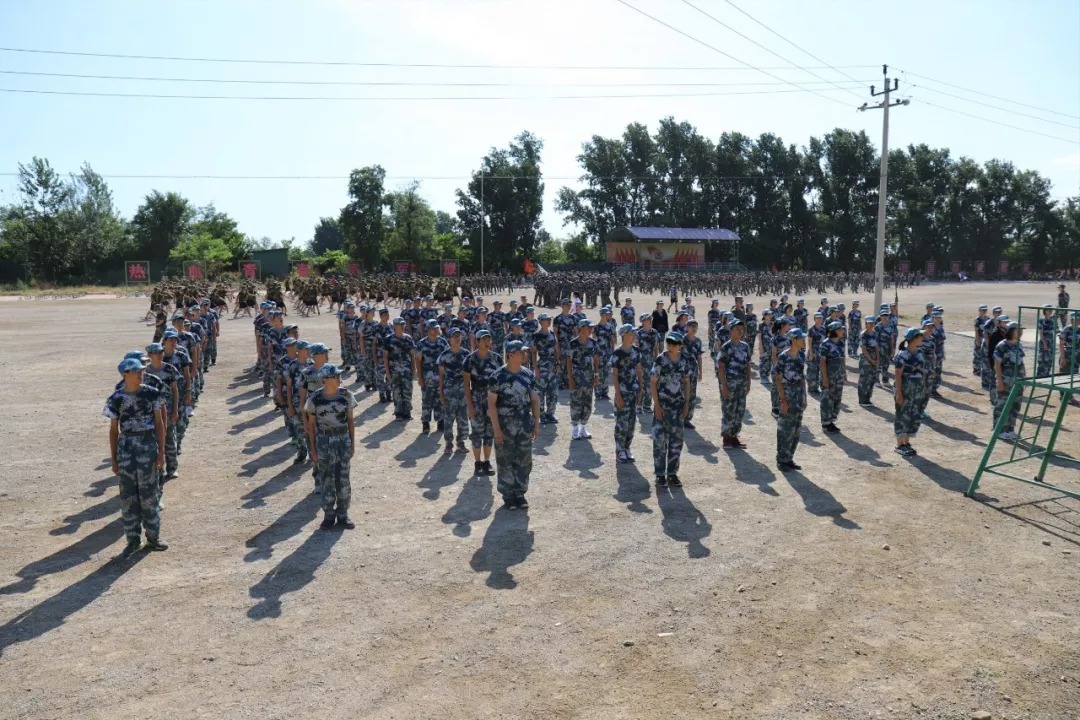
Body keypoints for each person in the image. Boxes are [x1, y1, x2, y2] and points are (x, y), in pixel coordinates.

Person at [104, 357, 168, 557]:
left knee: (149, 495)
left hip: (147, 445)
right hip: (126, 448)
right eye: (137, 370)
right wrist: (114, 459)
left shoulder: (152, 394)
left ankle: (153, 537)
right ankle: (133, 540)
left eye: (142, 370)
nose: (142, 373)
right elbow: (114, 430)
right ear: (125, 374)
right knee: (128, 497)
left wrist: (161, 452)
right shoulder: (116, 399)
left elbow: (160, 424)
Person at [489, 340, 541, 510]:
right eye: (521, 352)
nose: (525, 355)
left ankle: (520, 493)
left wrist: (536, 423)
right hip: (505, 426)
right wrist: (496, 428)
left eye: (525, 352)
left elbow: (534, 399)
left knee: (524, 460)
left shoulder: (528, 374)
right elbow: (491, 405)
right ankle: (508, 495)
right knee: (505, 460)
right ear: (511, 355)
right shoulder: (497, 376)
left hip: (524, 425)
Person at [304, 364, 357, 530]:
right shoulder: (315, 398)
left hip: (342, 440)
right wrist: (313, 449)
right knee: (326, 478)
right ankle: (328, 514)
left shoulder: (346, 395)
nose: (339, 378)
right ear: (325, 380)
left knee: (343, 478)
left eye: (338, 375)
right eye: (335, 376)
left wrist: (352, 444)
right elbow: (311, 426)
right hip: (324, 442)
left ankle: (343, 513)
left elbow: (350, 421)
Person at [650, 332, 690, 488]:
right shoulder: (661, 359)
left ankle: (672, 473)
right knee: (660, 442)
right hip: (663, 407)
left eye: (674, 343)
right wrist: (657, 406)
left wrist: (686, 403)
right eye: (669, 342)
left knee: (676, 442)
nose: (671, 346)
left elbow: (686, 382)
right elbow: (653, 382)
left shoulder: (683, 360)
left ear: (680, 346)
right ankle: (660, 474)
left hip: (677, 408)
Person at [464, 330, 502, 476]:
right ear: (478, 341)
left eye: (489, 339)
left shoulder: (497, 359)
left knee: (489, 433)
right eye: (484, 339)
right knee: (476, 433)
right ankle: (477, 463)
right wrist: (470, 405)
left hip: (492, 400)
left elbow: (500, 382)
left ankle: (487, 462)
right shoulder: (470, 359)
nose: (487, 342)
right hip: (476, 400)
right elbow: (466, 385)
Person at [144, 342, 181, 481]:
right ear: (149, 355)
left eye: (161, 353)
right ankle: (158, 469)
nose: (159, 355)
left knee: (170, 440)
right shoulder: (145, 372)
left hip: (169, 410)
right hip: (152, 414)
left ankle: (172, 468)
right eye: (156, 353)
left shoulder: (170, 370)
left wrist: (176, 410)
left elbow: (175, 390)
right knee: (155, 442)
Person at [774, 328, 807, 472]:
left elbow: (802, 377)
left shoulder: (800, 356)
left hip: (799, 396)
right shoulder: (783, 357)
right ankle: (781, 459)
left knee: (796, 429)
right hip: (788, 396)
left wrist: (804, 396)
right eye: (801, 338)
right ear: (794, 340)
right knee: (785, 429)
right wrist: (782, 400)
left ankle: (789, 458)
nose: (804, 341)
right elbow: (778, 379)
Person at [609, 324, 644, 463]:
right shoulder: (617, 354)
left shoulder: (636, 351)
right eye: (632, 333)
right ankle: (619, 450)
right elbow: (615, 376)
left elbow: (639, 370)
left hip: (633, 391)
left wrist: (641, 389)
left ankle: (627, 448)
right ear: (625, 335)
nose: (634, 335)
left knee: (631, 422)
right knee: (621, 422)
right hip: (622, 393)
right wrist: (618, 395)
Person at [717, 319, 751, 449]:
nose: (740, 331)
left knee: (739, 410)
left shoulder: (745, 346)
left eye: (741, 329)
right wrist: (724, 386)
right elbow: (720, 366)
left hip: (741, 384)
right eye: (737, 329)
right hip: (729, 385)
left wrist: (749, 382)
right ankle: (727, 438)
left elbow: (747, 365)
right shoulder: (726, 347)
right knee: (728, 410)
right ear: (730, 330)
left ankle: (734, 436)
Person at [893, 328, 927, 456]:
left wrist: (923, 386)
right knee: (902, 416)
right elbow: (897, 375)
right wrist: (899, 394)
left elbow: (922, 370)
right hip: (905, 390)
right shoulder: (902, 355)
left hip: (916, 390)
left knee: (912, 416)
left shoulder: (919, 352)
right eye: (920, 337)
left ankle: (906, 443)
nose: (922, 339)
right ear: (913, 339)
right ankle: (899, 444)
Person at [438, 328, 471, 454]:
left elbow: (469, 375)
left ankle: (461, 443)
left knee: (463, 419)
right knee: (448, 419)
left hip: (463, 393)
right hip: (449, 393)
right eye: (454, 336)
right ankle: (448, 444)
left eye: (459, 336)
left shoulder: (466, 354)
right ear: (449, 339)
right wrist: (441, 393)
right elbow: (441, 376)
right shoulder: (444, 355)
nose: (457, 338)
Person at [567, 319, 600, 440]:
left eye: (591, 328)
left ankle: (583, 427)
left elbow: (596, 359)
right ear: (582, 328)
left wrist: (596, 375)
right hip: (576, 376)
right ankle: (575, 428)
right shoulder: (573, 343)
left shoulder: (593, 342)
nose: (591, 330)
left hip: (589, 376)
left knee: (587, 402)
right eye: (588, 328)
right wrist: (570, 378)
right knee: (576, 401)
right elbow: (569, 360)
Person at [992, 322, 1026, 441]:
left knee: (1015, 406)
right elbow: (997, 364)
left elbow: (1021, 362)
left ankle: (1010, 430)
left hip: (1018, 381)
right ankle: (999, 430)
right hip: (1006, 381)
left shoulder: (1019, 345)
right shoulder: (1002, 345)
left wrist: (1024, 378)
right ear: (1011, 331)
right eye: (1018, 330)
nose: (1021, 332)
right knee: (1002, 405)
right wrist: (1000, 381)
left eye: (1021, 330)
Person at [415, 319, 449, 434]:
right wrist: (419, 377)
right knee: (426, 401)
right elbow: (418, 361)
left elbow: (447, 359)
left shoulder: (443, 342)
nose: (435, 330)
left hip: (440, 378)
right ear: (428, 329)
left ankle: (440, 421)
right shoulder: (421, 343)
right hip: (427, 378)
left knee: (441, 400)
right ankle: (426, 424)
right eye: (433, 328)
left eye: (436, 327)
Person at [383, 317, 416, 421]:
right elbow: (385, 356)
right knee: (396, 392)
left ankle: (407, 412)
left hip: (407, 370)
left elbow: (412, 355)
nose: (402, 326)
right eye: (400, 325)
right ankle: (398, 413)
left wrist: (414, 370)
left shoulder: (408, 338)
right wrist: (387, 372)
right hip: (394, 370)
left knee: (408, 391)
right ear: (394, 326)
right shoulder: (388, 339)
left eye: (403, 324)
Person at [819, 321, 846, 433]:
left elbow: (843, 358)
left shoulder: (841, 343)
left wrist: (844, 373)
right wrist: (825, 378)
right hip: (829, 377)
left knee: (837, 398)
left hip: (838, 376)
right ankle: (826, 423)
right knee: (827, 399)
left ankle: (831, 420)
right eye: (840, 329)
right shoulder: (825, 344)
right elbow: (822, 362)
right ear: (835, 331)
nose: (843, 331)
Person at [531, 313, 559, 424]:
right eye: (547, 320)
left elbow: (556, 350)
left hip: (552, 366)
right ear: (541, 322)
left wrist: (558, 363)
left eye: (549, 319)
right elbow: (533, 353)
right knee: (540, 393)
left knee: (553, 392)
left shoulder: (552, 334)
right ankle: (541, 415)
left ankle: (550, 414)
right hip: (542, 366)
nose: (549, 321)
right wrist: (535, 368)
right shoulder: (536, 336)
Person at [682, 320, 704, 430]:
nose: (694, 328)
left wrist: (700, 372)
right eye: (691, 326)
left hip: (693, 372)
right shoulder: (681, 340)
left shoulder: (698, 341)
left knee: (692, 396)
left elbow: (699, 357)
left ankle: (687, 419)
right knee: (682, 395)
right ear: (687, 327)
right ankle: (679, 418)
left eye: (696, 326)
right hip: (682, 372)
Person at [636, 313, 659, 416]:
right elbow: (636, 348)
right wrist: (637, 362)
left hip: (650, 362)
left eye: (650, 319)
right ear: (643, 321)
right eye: (647, 319)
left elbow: (656, 348)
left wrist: (657, 361)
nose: (649, 321)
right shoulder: (639, 333)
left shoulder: (654, 333)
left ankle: (647, 405)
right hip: (641, 363)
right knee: (641, 384)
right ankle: (639, 405)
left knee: (649, 384)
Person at [857, 315, 880, 407]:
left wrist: (877, 359)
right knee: (864, 379)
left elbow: (877, 348)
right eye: (869, 323)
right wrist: (871, 360)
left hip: (874, 359)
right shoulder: (863, 334)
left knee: (871, 379)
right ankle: (862, 400)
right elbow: (864, 350)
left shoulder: (874, 333)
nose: (871, 325)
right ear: (866, 324)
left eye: (873, 323)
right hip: (866, 360)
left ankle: (867, 399)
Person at [594, 307, 616, 401]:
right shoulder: (596, 327)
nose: (607, 316)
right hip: (599, 353)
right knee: (598, 372)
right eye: (605, 314)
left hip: (607, 352)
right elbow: (594, 340)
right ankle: (598, 393)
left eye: (607, 314)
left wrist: (613, 343)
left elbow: (613, 340)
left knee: (606, 373)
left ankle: (605, 392)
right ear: (601, 315)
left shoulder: (610, 326)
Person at [1036, 304, 1056, 379]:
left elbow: (1055, 329)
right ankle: (1040, 376)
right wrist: (1044, 343)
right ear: (1045, 311)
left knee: (1050, 358)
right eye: (1049, 310)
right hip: (1044, 341)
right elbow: (1041, 333)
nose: (1050, 311)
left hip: (1051, 341)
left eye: (1051, 310)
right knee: (1042, 359)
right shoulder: (1042, 319)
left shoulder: (1052, 319)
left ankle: (1047, 374)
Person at [973, 305, 989, 377]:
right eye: (982, 310)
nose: (984, 311)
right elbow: (976, 330)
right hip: (979, 338)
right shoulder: (978, 319)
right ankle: (976, 370)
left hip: (985, 339)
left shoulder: (988, 319)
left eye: (985, 310)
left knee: (985, 355)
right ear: (979, 310)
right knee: (977, 355)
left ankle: (983, 369)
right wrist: (977, 340)